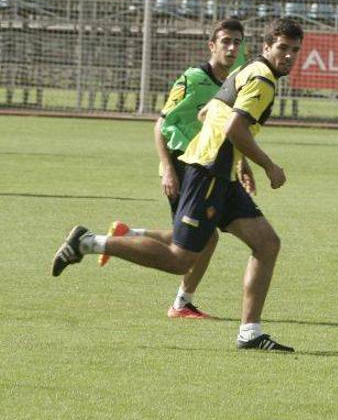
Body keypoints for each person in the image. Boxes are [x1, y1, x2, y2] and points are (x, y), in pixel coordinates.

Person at [52, 18, 305, 353]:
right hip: (209, 171)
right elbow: (234, 129)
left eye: (295, 51)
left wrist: (238, 163)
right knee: (180, 259)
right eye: (282, 48)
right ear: (266, 47)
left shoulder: (247, 70)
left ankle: (250, 333)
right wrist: (269, 166)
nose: (288, 56)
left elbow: (208, 114)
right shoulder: (261, 79)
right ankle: (88, 242)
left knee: (267, 243)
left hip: (220, 172)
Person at [97, 18, 245, 320]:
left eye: (237, 42)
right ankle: (181, 303)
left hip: (208, 165)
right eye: (226, 41)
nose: (232, 48)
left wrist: (241, 164)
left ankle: (128, 235)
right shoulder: (192, 78)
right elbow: (161, 124)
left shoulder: (234, 83)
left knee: (194, 235)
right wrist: (166, 167)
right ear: (212, 45)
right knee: (204, 238)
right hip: (184, 164)